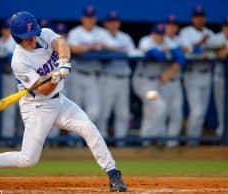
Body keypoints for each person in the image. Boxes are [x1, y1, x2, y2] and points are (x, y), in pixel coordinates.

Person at [0, 11, 127, 192]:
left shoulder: (43, 34)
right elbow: (42, 90)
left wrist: (63, 62)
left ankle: (113, 173)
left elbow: (61, 43)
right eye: (27, 37)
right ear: (17, 38)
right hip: (37, 106)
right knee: (28, 159)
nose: (32, 39)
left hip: (59, 101)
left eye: (33, 34)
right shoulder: (19, 60)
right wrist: (56, 77)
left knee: (89, 128)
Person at [132, 23, 186, 146]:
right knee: (159, 105)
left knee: (150, 110)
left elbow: (181, 58)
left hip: (156, 84)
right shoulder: (145, 41)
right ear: (152, 34)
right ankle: (153, 138)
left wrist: (171, 56)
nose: (159, 37)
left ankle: (144, 141)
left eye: (161, 34)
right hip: (143, 84)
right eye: (157, 34)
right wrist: (168, 51)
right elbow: (157, 55)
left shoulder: (167, 41)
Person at [67, 5, 116, 124]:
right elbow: (71, 48)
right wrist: (91, 46)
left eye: (91, 17)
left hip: (93, 75)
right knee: (74, 109)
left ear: (95, 19)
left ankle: (84, 136)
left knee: (94, 111)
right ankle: (74, 141)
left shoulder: (101, 32)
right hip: (76, 74)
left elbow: (114, 46)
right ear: (83, 18)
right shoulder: (75, 32)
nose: (89, 20)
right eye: (87, 17)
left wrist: (101, 46)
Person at [179, 6, 217, 146]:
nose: (199, 19)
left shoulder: (210, 33)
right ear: (192, 19)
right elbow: (187, 51)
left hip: (206, 74)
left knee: (202, 114)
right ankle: (191, 141)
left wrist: (211, 52)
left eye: (202, 17)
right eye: (197, 17)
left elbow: (218, 51)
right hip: (192, 74)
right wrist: (201, 43)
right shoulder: (186, 32)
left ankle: (194, 143)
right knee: (197, 112)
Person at [98, 11, 135, 146]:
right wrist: (119, 50)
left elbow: (132, 53)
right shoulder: (101, 34)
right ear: (106, 23)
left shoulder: (125, 37)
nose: (113, 24)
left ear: (118, 23)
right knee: (104, 111)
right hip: (108, 77)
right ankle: (101, 140)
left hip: (124, 78)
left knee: (123, 112)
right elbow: (106, 45)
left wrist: (117, 50)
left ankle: (121, 142)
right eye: (110, 21)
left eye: (115, 21)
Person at [163, 15, 184, 147]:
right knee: (161, 112)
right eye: (169, 25)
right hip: (162, 82)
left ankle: (171, 145)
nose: (171, 28)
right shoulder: (160, 39)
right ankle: (158, 142)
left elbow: (182, 58)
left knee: (176, 113)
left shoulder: (180, 40)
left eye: (173, 25)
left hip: (175, 80)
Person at [0, 18, 18, 145]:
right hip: (7, 77)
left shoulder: (15, 40)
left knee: (22, 110)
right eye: (6, 29)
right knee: (9, 109)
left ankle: (19, 139)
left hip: (19, 77)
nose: (8, 32)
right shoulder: (0, 42)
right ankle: (7, 139)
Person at [213, 16, 228, 137]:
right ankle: (221, 135)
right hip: (220, 77)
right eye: (226, 26)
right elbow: (213, 52)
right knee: (221, 109)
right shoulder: (217, 38)